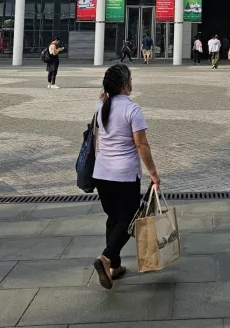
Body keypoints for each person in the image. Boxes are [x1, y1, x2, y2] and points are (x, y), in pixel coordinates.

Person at [91, 63, 161, 290]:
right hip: (124, 174)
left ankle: (114, 267)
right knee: (129, 219)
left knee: (113, 218)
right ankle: (106, 257)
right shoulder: (132, 109)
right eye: (130, 79)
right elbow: (141, 144)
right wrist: (153, 173)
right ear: (125, 85)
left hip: (101, 173)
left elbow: (95, 139)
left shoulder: (101, 105)